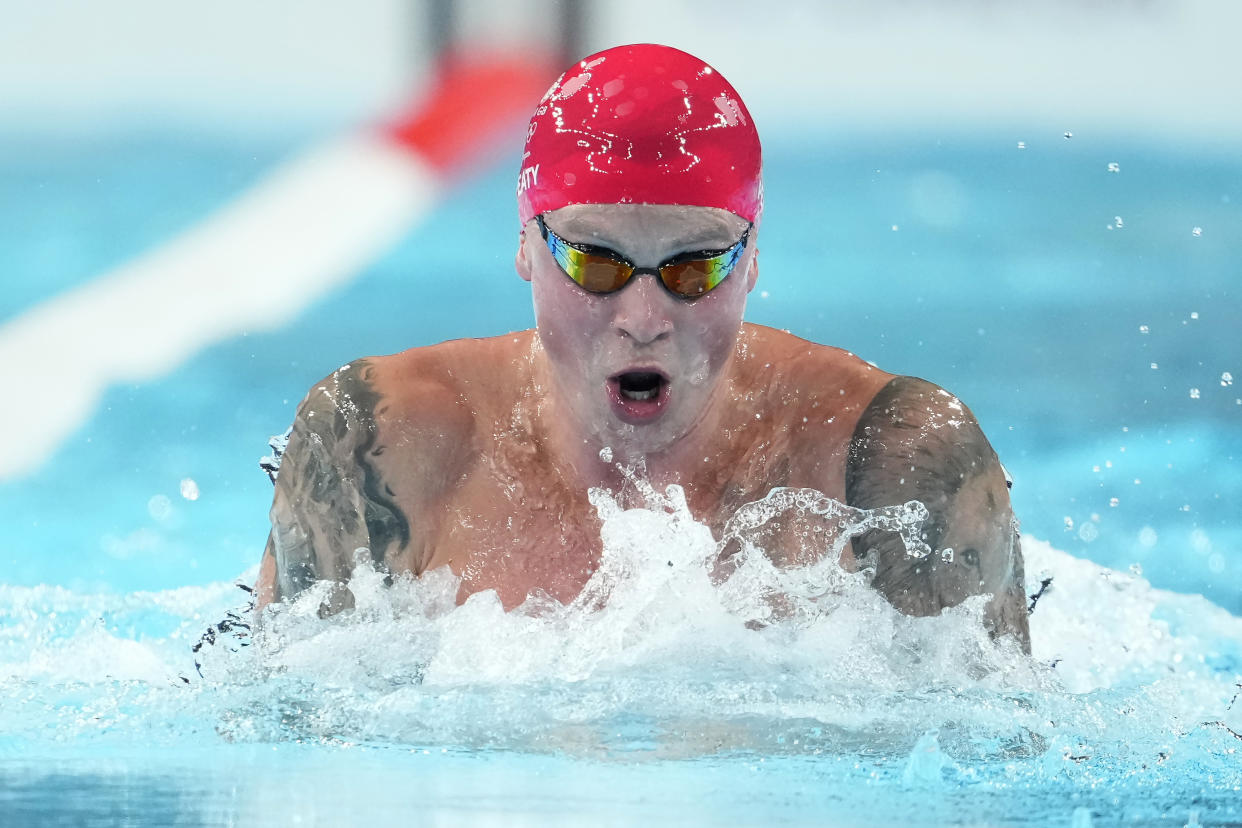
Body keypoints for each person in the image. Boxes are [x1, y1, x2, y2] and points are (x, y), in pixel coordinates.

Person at [254, 43, 1030, 651]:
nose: (644, 315)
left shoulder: (887, 467)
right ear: (525, 245)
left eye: (695, 266)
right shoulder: (379, 448)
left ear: (753, 258)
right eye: (595, 262)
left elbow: (1000, 770)